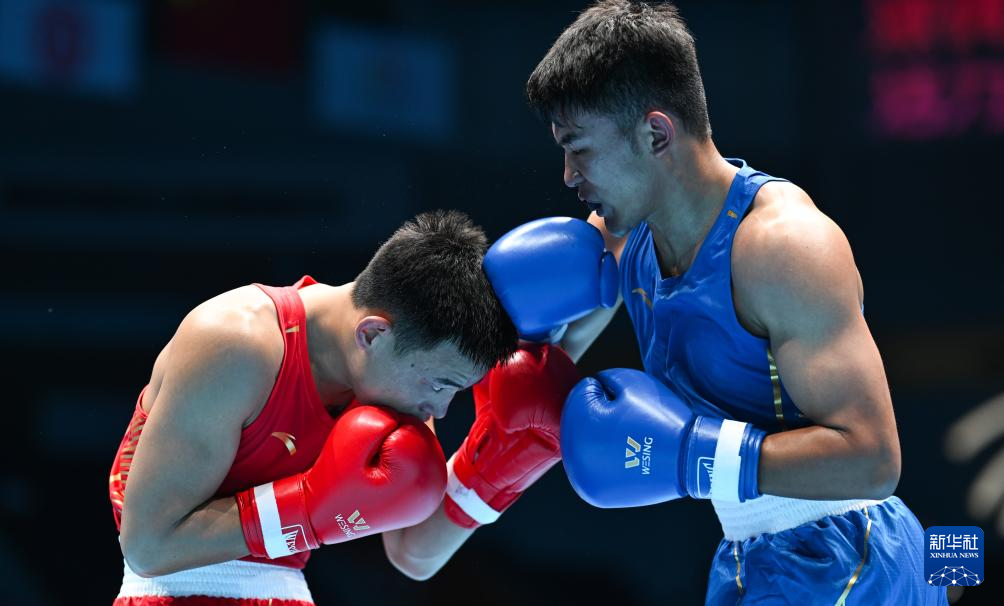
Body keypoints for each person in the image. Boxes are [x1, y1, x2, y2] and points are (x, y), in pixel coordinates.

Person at [481, 1, 946, 603]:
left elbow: (874, 459)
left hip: (851, 556)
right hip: (746, 550)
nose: (569, 175)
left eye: (580, 148)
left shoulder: (783, 247)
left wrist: (694, 457)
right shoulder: (623, 240)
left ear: (655, 134)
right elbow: (537, 358)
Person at [108, 210, 580, 605]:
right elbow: (148, 546)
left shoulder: (393, 383)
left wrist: (497, 464)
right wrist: (307, 509)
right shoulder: (235, 342)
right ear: (373, 333)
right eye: (441, 384)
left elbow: (414, 553)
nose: (440, 408)